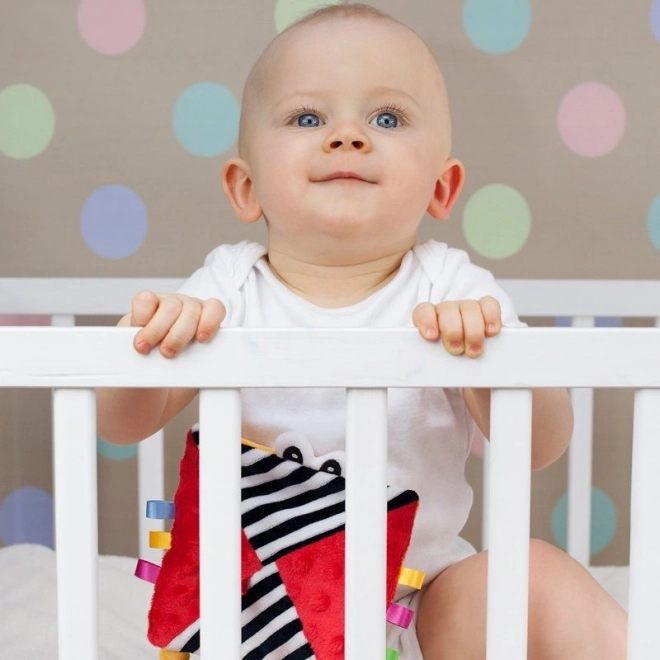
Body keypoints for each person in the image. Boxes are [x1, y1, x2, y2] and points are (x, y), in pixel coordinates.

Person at [97, 3, 627, 658]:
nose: (347, 136)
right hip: (268, 606)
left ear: (441, 187)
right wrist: (145, 345)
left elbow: (541, 445)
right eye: (308, 117)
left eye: (386, 118)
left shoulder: (455, 289)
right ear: (245, 186)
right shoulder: (225, 288)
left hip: (421, 600)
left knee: (527, 572)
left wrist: (493, 360)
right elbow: (122, 424)